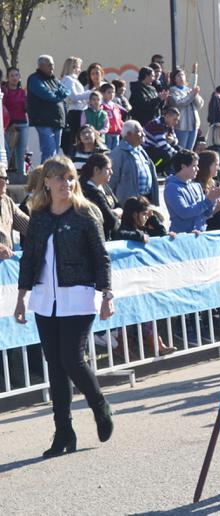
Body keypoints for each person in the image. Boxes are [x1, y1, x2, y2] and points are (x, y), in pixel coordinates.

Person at [13, 155, 115, 458]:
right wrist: (21, 297)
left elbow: (101, 257)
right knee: (55, 365)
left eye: (70, 178)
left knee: (72, 358)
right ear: (46, 181)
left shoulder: (85, 214)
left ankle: (99, 405)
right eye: (59, 178)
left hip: (79, 296)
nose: (65, 183)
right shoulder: (40, 216)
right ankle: (63, 431)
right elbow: (29, 259)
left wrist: (107, 294)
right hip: (46, 299)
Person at [163, 149, 220, 233]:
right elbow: (184, 213)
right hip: (182, 237)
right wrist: (208, 200)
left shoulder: (196, 186)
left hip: (200, 234)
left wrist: (213, 200)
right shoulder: (172, 188)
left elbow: (206, 214)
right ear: (183, 166)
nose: (198, 169)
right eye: (194, 166)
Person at [26, 55, 69, 162]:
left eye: (53, 64)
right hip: (43, 120)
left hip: (58, 119)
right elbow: (47, 95)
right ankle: (44, 176)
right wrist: (58, 95)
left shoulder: (53, 79)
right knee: (49, 151)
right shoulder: (34, 79)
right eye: (50, 65)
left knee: (55, 150)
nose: (52, 67)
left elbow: (66, 92)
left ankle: (52, 175)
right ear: (41, 66)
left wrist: (58, 95)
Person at [109, 120, 159, 206]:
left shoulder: (141, 151)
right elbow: (111, 182)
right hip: (128, 205)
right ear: (128, 134)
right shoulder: (117, 154)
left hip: (146, 200)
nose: (144, 134)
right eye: (140, 132)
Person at [79, 153, 118, 239]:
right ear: (96, 170)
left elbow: (119, 205)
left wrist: (114, 212)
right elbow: (111, 221)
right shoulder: (90, 191)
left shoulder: (104, 186)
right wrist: (115, 213)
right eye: (108, 169)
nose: (111, 172)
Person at [60, 57, 91, 155]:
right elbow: (73, 97)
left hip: (80, 111)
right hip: (75, 113)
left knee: (79, 138)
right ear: (73, 67)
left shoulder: (74, 80)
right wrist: (89, 94)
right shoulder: (68, 79)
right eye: (78, 67)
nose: (80, 70)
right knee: (76, 138)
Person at [168, 66, 203, 150]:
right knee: (181, 150)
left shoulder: (189, 89)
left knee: (189, 151)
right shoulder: (172, 91)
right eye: (178, 76)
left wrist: (195, 95)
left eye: (182, 75)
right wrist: (191, 95)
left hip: (193, 125)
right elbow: (179, 103)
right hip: (182, 125)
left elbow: (199, 105)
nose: (181, 77)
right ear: (174, 79)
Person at [3, 67, 28, 179]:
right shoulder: (3, 91)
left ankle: (21, 175)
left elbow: (27, 109)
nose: (14, 78)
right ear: (7, 77)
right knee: (6, 152)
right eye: (12, 75)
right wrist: (9, 124)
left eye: (16, 75)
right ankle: (3, 175)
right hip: (7, 126)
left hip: (22, 124)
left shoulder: (23, 92)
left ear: (19, 77)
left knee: (21, 152)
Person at [0, 166, 29, 259]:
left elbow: (29, 226)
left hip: (4, 267)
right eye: (4, 178)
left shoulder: (7, 201)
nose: (7, 182)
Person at [143, 107, 181, 175]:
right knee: (167, 154)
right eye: (174, 120)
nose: (176, 122)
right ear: (167, 116)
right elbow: (163, 145)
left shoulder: (169, 125)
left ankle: (167, 170)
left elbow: (176, 140)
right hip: (147, 149)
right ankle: (155, 169)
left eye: (177, 120)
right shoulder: (157, 124)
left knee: (179, 149)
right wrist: (178, 155)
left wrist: (172, 141)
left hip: (157, 147)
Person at [99, 83, 124, 150]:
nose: (112, 94)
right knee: (107, 150)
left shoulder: (115, 105)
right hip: (107, 133)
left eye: (113, 92)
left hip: (116, 132)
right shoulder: (101, 106)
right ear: (102, 93)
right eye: (109, 92)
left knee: (115, 150)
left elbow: (119, 118)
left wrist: (122, 127)